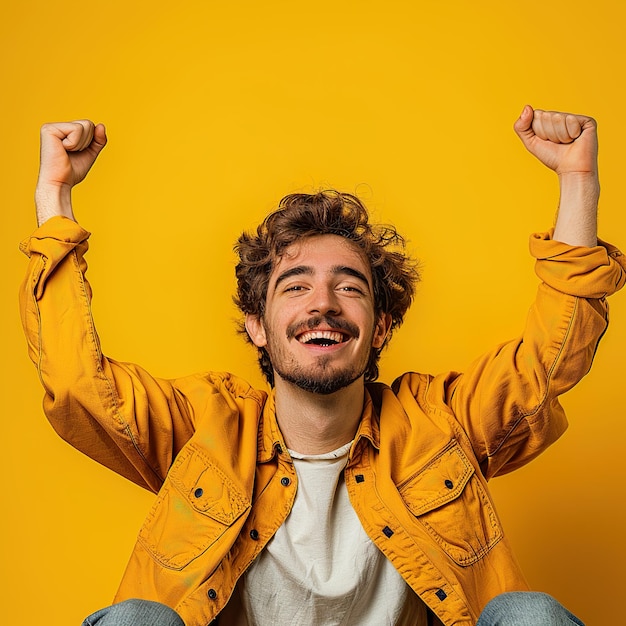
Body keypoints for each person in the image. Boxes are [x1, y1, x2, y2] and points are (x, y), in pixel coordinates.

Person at [20, 105, 625, 626]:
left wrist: (577, 180)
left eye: (350, 287)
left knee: (527, 614)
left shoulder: (441, 423)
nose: (323, 305)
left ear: (381, 325)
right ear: (256, 325)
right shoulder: (201, 426)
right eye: (295, 287)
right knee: (136, 620)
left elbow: (547, 362)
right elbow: (77, 387)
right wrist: (55, 198)